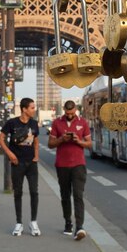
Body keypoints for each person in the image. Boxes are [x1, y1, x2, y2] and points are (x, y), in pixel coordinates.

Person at [48, 101, 92, 241]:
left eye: (72, 113)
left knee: (78, 195)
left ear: (76, 110)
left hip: (78, 164)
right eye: (67, 114)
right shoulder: (56, 123)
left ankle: (80, 227)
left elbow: (89, 144)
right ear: (64, 111)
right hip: (62, 165)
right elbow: (50, 144)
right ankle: (68, 222)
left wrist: (79, 142)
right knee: (65, 195)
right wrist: (62, 139)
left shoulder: (83, 122)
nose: (70, 116)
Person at [0, 98, 40, 236]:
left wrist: (36, 157)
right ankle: (19, 223)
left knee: (34, 192)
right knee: (18, 192)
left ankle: (33, 222)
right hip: (17, 163)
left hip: (31, 163)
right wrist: (9, 154)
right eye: (32, 107)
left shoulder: (34, 124)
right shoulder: (12, 123)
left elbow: (36, 141)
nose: (34, 110)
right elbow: (0, 139)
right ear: (24, 109)